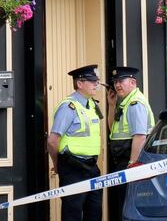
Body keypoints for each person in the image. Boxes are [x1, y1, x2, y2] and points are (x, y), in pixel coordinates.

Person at [47, 65, 104, 221]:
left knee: (95, 212)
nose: (96, 85)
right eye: (92, 81)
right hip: (73, 168)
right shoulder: (68, 107)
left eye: (97, 81)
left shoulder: (91, 105)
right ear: (79, 83)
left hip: (92, 167)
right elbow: (52, 141)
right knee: (72, 213)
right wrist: (58, 164)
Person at [106, 66, 154, 221]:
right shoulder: (124, 102)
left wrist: (132, 164)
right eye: (115, 82)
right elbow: (112, 127)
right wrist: (112, 106)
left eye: (121, 81)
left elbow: (140, 136)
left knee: (128, 206)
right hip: (123, 161)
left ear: (133, 82)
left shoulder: (135, 103)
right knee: (123, 203)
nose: (117, 85)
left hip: (130, 162)